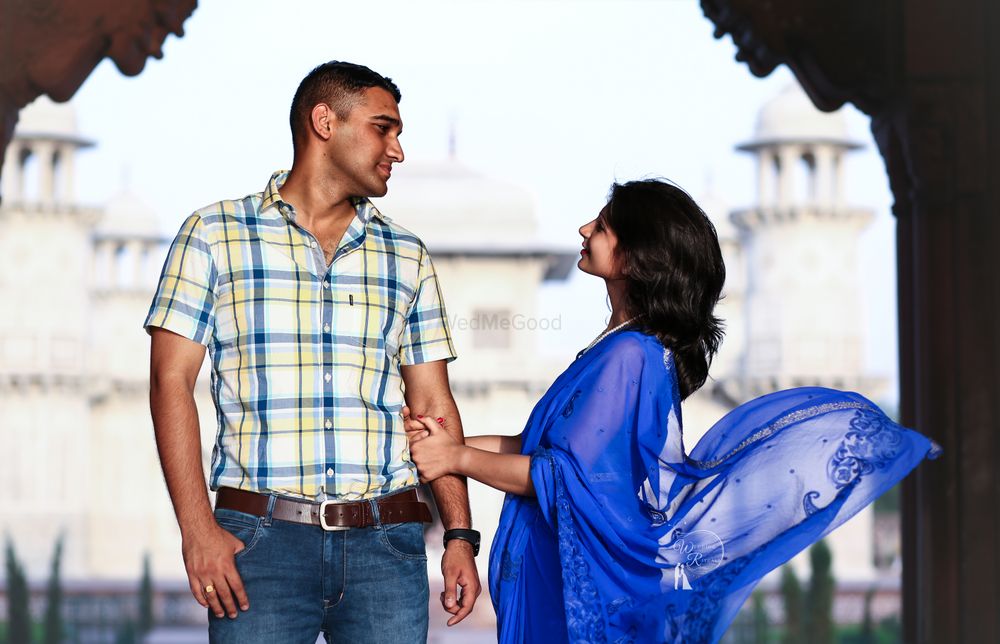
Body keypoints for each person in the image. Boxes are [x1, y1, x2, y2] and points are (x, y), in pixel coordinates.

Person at [406, 178, 940, 643]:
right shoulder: (616, 349)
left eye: (606, 226)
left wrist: (455, 456)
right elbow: (534, 452)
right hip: (553, 574)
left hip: (579, 590)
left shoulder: (629, 356)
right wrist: (447, 445)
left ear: (638, 258)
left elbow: (559, 479)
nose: (585, 228)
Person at [145, 61, 481, 643]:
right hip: (258, 544)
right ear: (324, 121)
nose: (397, 150)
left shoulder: (406, 255)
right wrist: (196, 529)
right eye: (384, 128)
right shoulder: (213, 235)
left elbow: (433, 403)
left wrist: (459, 535)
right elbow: (170, 383)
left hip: (387, 541)